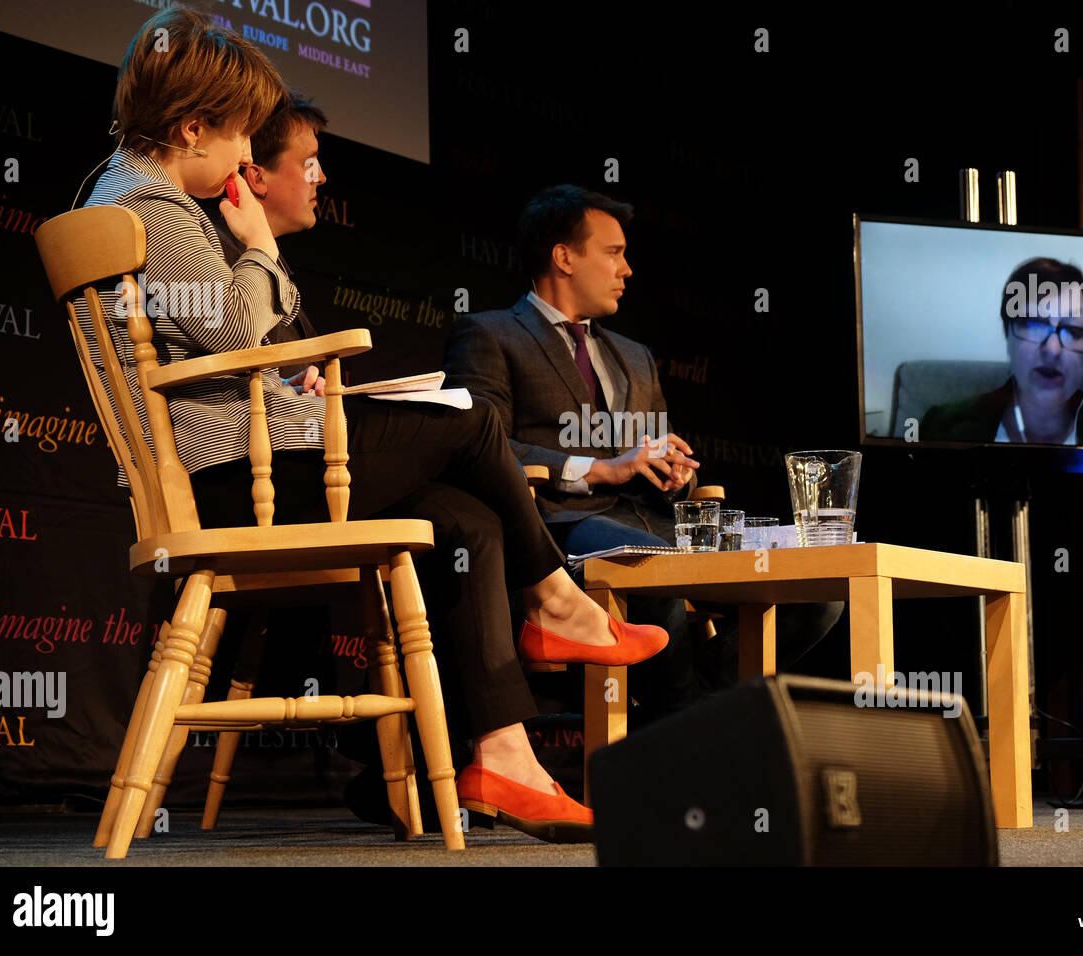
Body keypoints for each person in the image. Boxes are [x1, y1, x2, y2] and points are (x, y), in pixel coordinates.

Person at [77, 8, 667, 840]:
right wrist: (255, 241)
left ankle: (505, 756)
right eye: (242, 136)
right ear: (191, 125)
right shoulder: (156, 210)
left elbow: (231, 345)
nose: (250, 157)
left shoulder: (127, 198)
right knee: (468, 426)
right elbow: (243, 336)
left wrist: (289, 358)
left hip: (248, 466)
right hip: (231, 485)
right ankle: (559, 600)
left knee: (464, 521)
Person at [444, 185, 842, 721]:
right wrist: (604, 469)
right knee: (657, 571)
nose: (627, 269)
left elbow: (654, 444)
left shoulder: (634, 356)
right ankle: (683, 736)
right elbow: (481, 443)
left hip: (655, 519)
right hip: (560, 526)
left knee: (818, 585)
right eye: (613, 253)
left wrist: (671, 466)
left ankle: (686, 718)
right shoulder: (489, 333)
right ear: (563, 257)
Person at [920, 257, 1083, 446]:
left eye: (1072, 331)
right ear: (1008, 334)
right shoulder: (939, 427)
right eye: (1034, 324)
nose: (1052, 350)